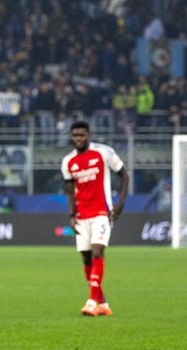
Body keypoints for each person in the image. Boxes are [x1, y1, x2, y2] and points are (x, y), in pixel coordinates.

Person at [61, 120, 129, 317]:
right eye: (75, 135)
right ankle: (103, 303)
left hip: (102, 212)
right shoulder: (68, 162)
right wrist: (72, 215)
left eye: (82, 135)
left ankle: (91, 301)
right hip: (82, 216)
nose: (78, 138)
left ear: (88, 135)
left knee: (98, 251)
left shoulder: (103, 152)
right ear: (71, 137)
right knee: (86, 257)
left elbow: (124, 175)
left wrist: (120, 203)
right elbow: (70, 191)